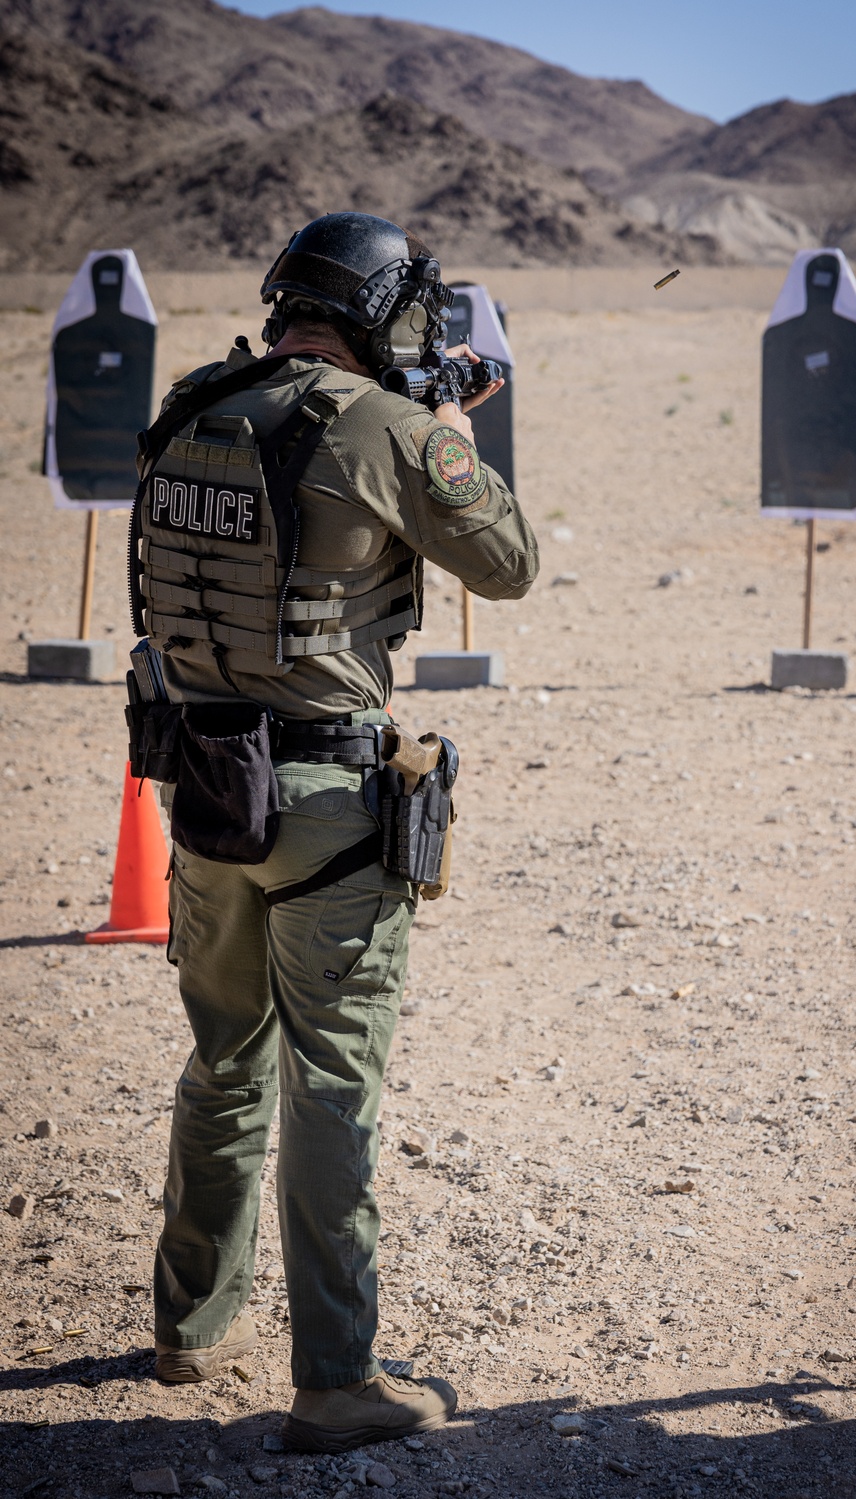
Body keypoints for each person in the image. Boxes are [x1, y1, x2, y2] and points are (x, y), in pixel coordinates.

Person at [131, 213, 538, 1453]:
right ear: (388, 316)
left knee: (223, 1059)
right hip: (326, 804)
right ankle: (335, 1379)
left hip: (203, 787)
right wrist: (450, 439)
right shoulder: (391, 429)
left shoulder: (198, 402)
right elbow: (508, 563)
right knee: (332, 1086)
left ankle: (188, 1325)